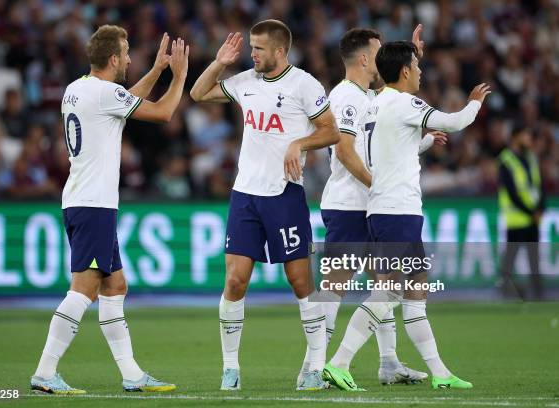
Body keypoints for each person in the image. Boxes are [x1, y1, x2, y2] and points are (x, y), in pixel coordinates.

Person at [322, 41, 490, 390]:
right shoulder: (406, 103)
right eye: (416, 66)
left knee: (414, 291)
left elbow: (394, 149)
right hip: (398, 210)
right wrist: (475, 101)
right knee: (389, 292)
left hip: (387, 209)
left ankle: (440, 373)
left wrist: (425, 141)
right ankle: (339, 362)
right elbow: (456, 121)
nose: (421, 71)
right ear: (404, 71)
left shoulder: (376, 104)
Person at [30, 25, 189, 394]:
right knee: (84, 289)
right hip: (94, 205)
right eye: (128, 53)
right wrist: (178, 77)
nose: (132, 59)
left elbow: (122, 101)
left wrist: (156, 70)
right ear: (114, 58)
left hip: (81, 199)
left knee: (115, 284)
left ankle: (132, 375)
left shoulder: (78, 89)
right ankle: (45, 371)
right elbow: (163, 112)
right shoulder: (104, 94)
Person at [190, 19, 340, 391]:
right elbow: (197, 93)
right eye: (250, 48)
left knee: (300, 282)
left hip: (285, 194)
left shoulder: (304, 84)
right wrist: (219, 62)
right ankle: (230, 369)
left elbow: (331, 131)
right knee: (236, 281)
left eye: (258, 48)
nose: (251, 54)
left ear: (280, 51)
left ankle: (314, 369)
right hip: (245, 195)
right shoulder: (245, 82)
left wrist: (298, 144)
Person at [300, 26, 446, 388]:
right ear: (364, 58)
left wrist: (412, 58)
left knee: (384, 286)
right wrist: (379, 188)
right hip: (350, 204)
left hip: (370, 206)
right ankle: (312, 369)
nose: (382, 59)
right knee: (334, 285)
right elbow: (346, 152)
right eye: (379, 52)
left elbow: (386, 141)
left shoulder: (371, 96)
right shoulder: (346, 97)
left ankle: (389, 363)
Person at [498, 124, 545, 299]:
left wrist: (541, 208)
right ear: (516, 136)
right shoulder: (505, 160)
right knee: (511, 257)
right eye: (526, 135)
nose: (529, 139)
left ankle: (538, 292)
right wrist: (531, 211)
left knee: (534, 258)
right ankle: (504, 288)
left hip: (533, 218)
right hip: (517, 219)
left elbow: (539, 185)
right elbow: (511, 193)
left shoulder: (531, 158)